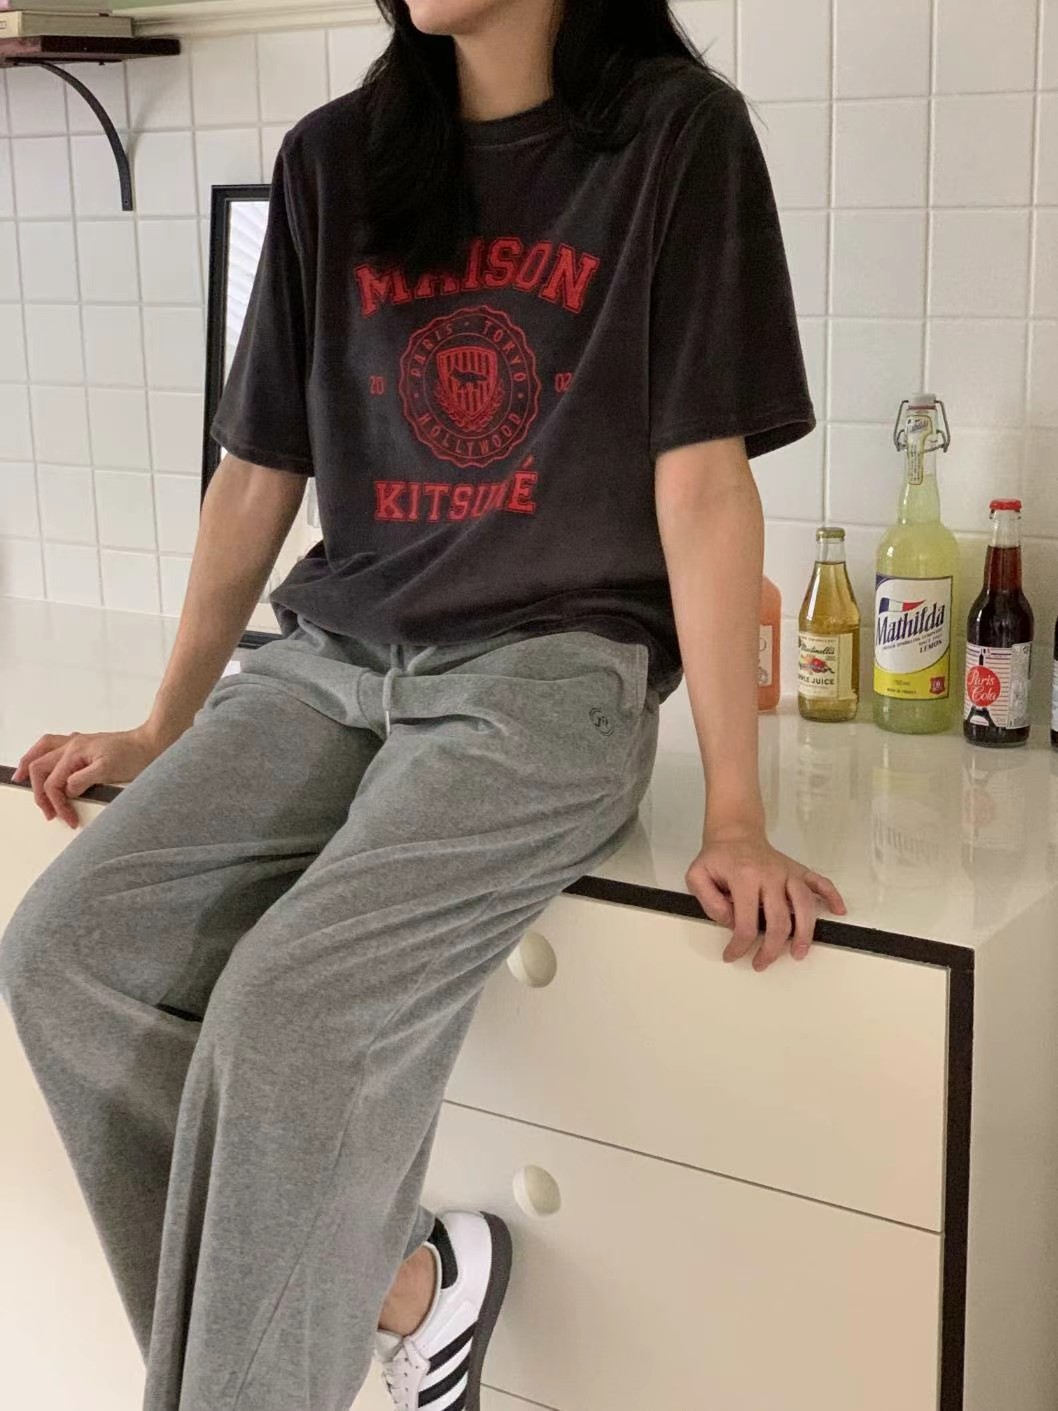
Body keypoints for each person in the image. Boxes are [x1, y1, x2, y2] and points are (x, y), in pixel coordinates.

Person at [0, 0, 847, 1408]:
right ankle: (402, 1289)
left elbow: (702, 484)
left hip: (549, 670)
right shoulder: (334, 159)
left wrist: (737, 812)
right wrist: (162, 726)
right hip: (332, 656)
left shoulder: (674, 138)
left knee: (285, 1012)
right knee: (66, 950)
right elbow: (256, 476)